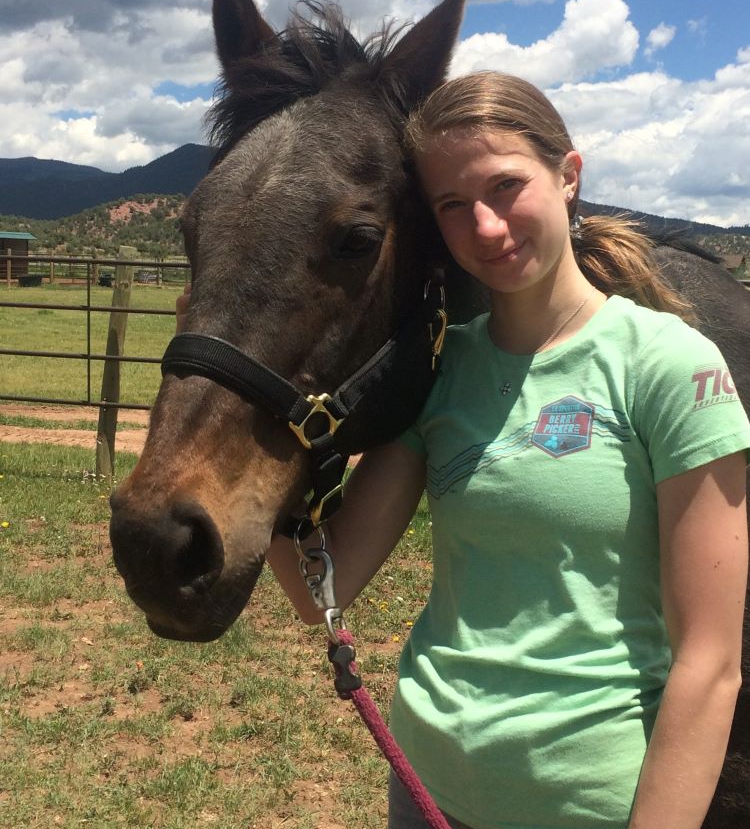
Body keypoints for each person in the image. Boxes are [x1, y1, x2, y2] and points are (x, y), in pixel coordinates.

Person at [181, 73, 750, 829]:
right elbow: (325, 582)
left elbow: (710, 667)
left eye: (506, 187)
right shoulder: (443, 369)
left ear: (569, 177)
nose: (484, 226)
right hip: (429, 787)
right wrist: (273, 442)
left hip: (589, 803)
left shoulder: (670, 365)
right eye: (453, 205)